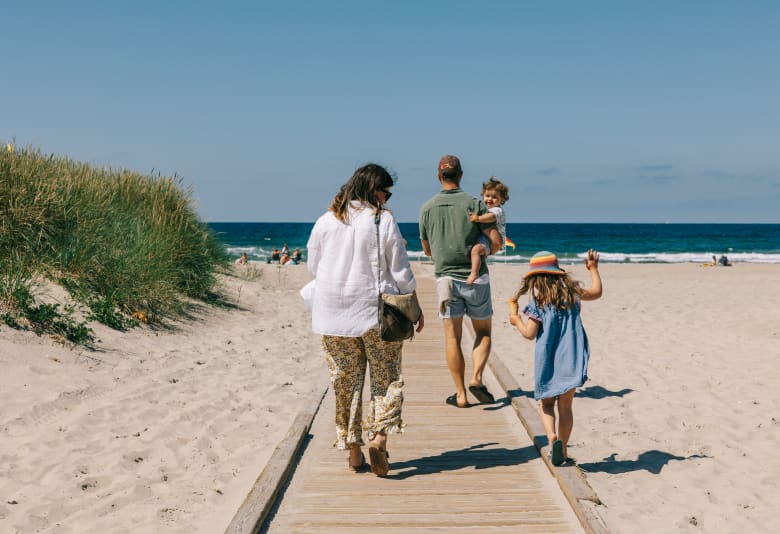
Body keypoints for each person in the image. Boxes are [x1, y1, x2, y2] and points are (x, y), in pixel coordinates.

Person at [306, 163, 424, 477]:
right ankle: (379, 440)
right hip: (375, 313)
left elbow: (313, 266)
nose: (388, 198)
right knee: (385, 379)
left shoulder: (326, 220)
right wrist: (414, 303)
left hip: (332, 315)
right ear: (374, 190)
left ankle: (355, 453)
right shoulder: (381, 219)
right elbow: (399, 270)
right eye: (386, 191)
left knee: (346, 383)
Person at [419, 155, 502, 408]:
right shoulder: (475, 204)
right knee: (483, 332)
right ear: (461, 175)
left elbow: (427, 250)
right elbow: (496, 243)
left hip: (445, 279)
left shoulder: (427, 208)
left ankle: (461, 394)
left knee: (452, 339)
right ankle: (476, 377)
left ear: (438, 176)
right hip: (476, 279)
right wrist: (482, 251)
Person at [508, 250, 603, 466]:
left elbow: (529, 333)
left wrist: (516, 320)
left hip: (547, 358)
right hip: (572, 355)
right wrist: (593, 269)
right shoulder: (573, 293)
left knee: (546, 404)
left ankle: (551, 437)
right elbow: (597, 292)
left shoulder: (538, 302)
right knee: (566, 406)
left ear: (535, 278)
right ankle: (564, 447)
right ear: (558, 273)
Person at [467, 177, 509, 284]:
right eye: (487, 196)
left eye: (494, 197)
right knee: (476, 251)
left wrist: (478, 218)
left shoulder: (497, 210)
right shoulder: (487, 209)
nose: (490, 199)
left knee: (476, 250)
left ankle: (474, 273)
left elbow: (492, 217)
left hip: (491, 241)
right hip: (486, 238)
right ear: (483, 196)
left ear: (502, 200)